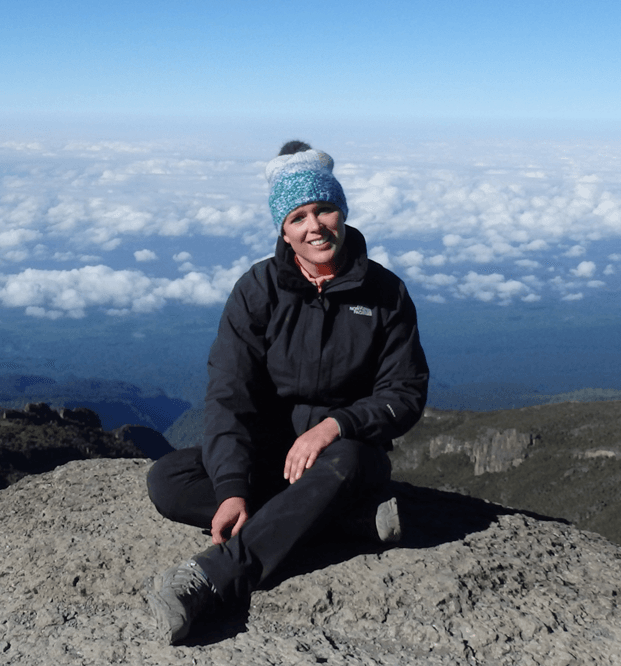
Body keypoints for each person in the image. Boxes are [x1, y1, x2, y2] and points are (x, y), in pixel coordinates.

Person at [145, 141, 429, 644]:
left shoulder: (385, 293)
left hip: (349, 455)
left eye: (324, 209)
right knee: (169, 479)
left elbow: (403, 393)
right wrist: (233, 488)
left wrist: (333, 426)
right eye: (299, 216)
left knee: (343, 466)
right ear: (283, 229)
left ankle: (214, 577)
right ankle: (346, 520)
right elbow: (230, 395)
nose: (315, 225)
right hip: (273, 454)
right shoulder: (258, 290)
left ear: (342, 211)